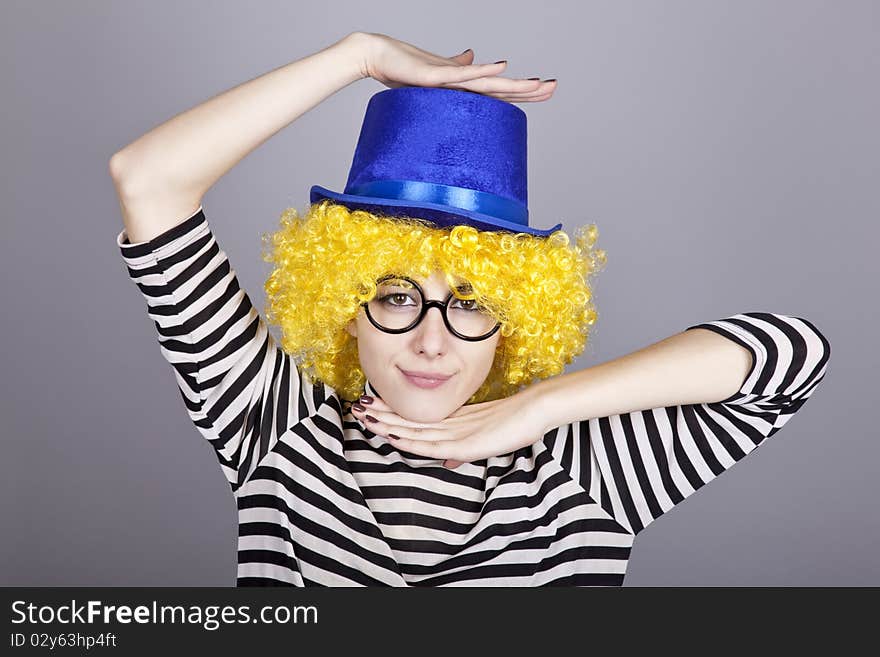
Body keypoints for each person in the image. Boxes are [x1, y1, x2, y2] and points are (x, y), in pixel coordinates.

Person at [110, 32, 832, 586]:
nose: (432, 341)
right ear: (345, 307)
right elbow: (148, 181)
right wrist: (357, 55)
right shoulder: (274, 426)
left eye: (472, 302)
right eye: (396, 296)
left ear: (513, 319)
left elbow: (790, 355)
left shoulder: (583, 471)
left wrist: (538, 409)